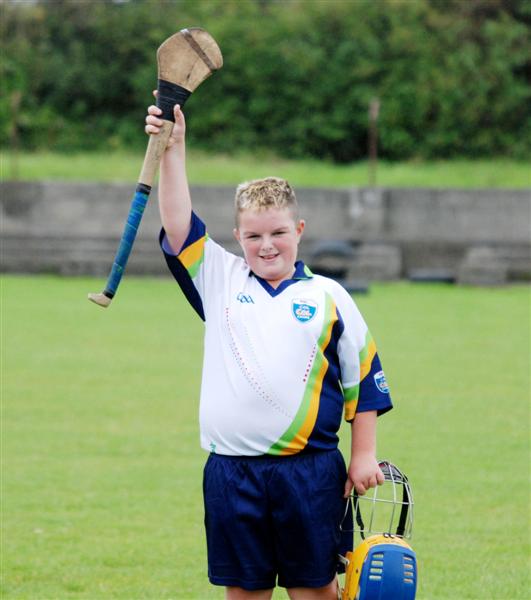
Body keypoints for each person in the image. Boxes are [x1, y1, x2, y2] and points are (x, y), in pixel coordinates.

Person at [145, 100, 393, 600]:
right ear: (236, 237)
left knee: (314, 588)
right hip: (231, 471)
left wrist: (364, 455)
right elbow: (177, 223)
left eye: (279, 232)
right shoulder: (219, 278)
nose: (266, 245)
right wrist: (174, 148)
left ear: (298, 231)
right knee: (244, 591)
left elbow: (362, 381)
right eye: (253, 235)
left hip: (311, 471)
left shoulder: (329, 296)